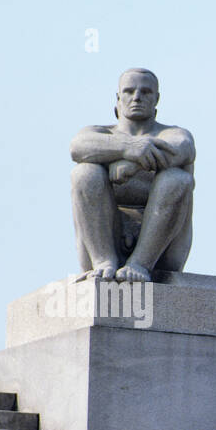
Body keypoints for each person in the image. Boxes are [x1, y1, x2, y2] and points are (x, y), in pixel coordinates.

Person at [70, 68, 195, 281]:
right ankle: (104, 260)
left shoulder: (172, 133)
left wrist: (132, 163)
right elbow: (77, 147)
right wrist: (127, 148)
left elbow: (182, 148)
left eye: (145, 92)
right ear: (118, 98)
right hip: (105, 235)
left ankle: (139, 264)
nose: (137, 97)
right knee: (85, 172)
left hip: (161, 249)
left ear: (157, 98)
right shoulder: (98, 133)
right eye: (129, 91)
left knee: (177, 179)